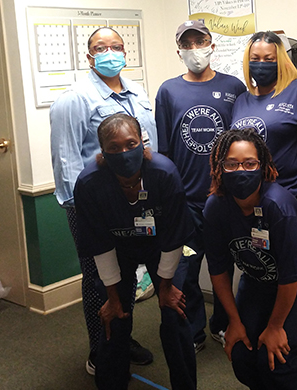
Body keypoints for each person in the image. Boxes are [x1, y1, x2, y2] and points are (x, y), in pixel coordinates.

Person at [50, 26, 154, 374]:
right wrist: (80, 213)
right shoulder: (74, 99)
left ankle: (122, 338)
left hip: (134, 201)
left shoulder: (135, 92)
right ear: (89, 55)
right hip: (92, 207)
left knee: (126, 273)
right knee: (98, 278)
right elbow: (65, 160)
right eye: (100, 47)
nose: (110, 52)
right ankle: (101, 349)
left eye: (117, 46)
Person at [74, 113, 196, 389]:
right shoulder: (90, 183)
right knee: (113, 316)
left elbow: (175, 235)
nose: (124, 152)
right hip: (117, 250)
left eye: (131, 143)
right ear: (102, 152)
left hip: (163, 247)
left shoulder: (164, 173)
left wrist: (166, 287)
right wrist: (113, 296)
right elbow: (100, 244)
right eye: (114, 147)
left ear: (143, 142)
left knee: (175, 312)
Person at [203, 129, 297, 390]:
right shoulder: (216, 207)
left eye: (249, 163)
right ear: (220, 168)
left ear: (262, 166)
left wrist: (275, 327)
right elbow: (218, 270)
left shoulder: (278, 206)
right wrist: (234, 322)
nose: (241, 170)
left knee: (275, 360)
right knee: (240, 353)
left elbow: (291, 275)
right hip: (259, 280)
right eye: (231, 164)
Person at [155, 20, 247, 353]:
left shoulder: (234, 87)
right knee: (187, 269)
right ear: (179, 49)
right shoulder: (168, 90)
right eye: (188, 43)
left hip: (226, 198)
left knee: (226, 265)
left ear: (212, 44)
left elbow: (244, 141)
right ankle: (192, 330)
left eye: (201, 41)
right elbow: (163, 151)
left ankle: (222, 324)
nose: (196, 49)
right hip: (186, 202)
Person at [231, 31, 297, 223]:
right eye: (255, 58)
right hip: (246, 200)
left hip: (288, 197)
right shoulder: (241, 101)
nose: (261, 64)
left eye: (268, 59)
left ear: (280, 61)